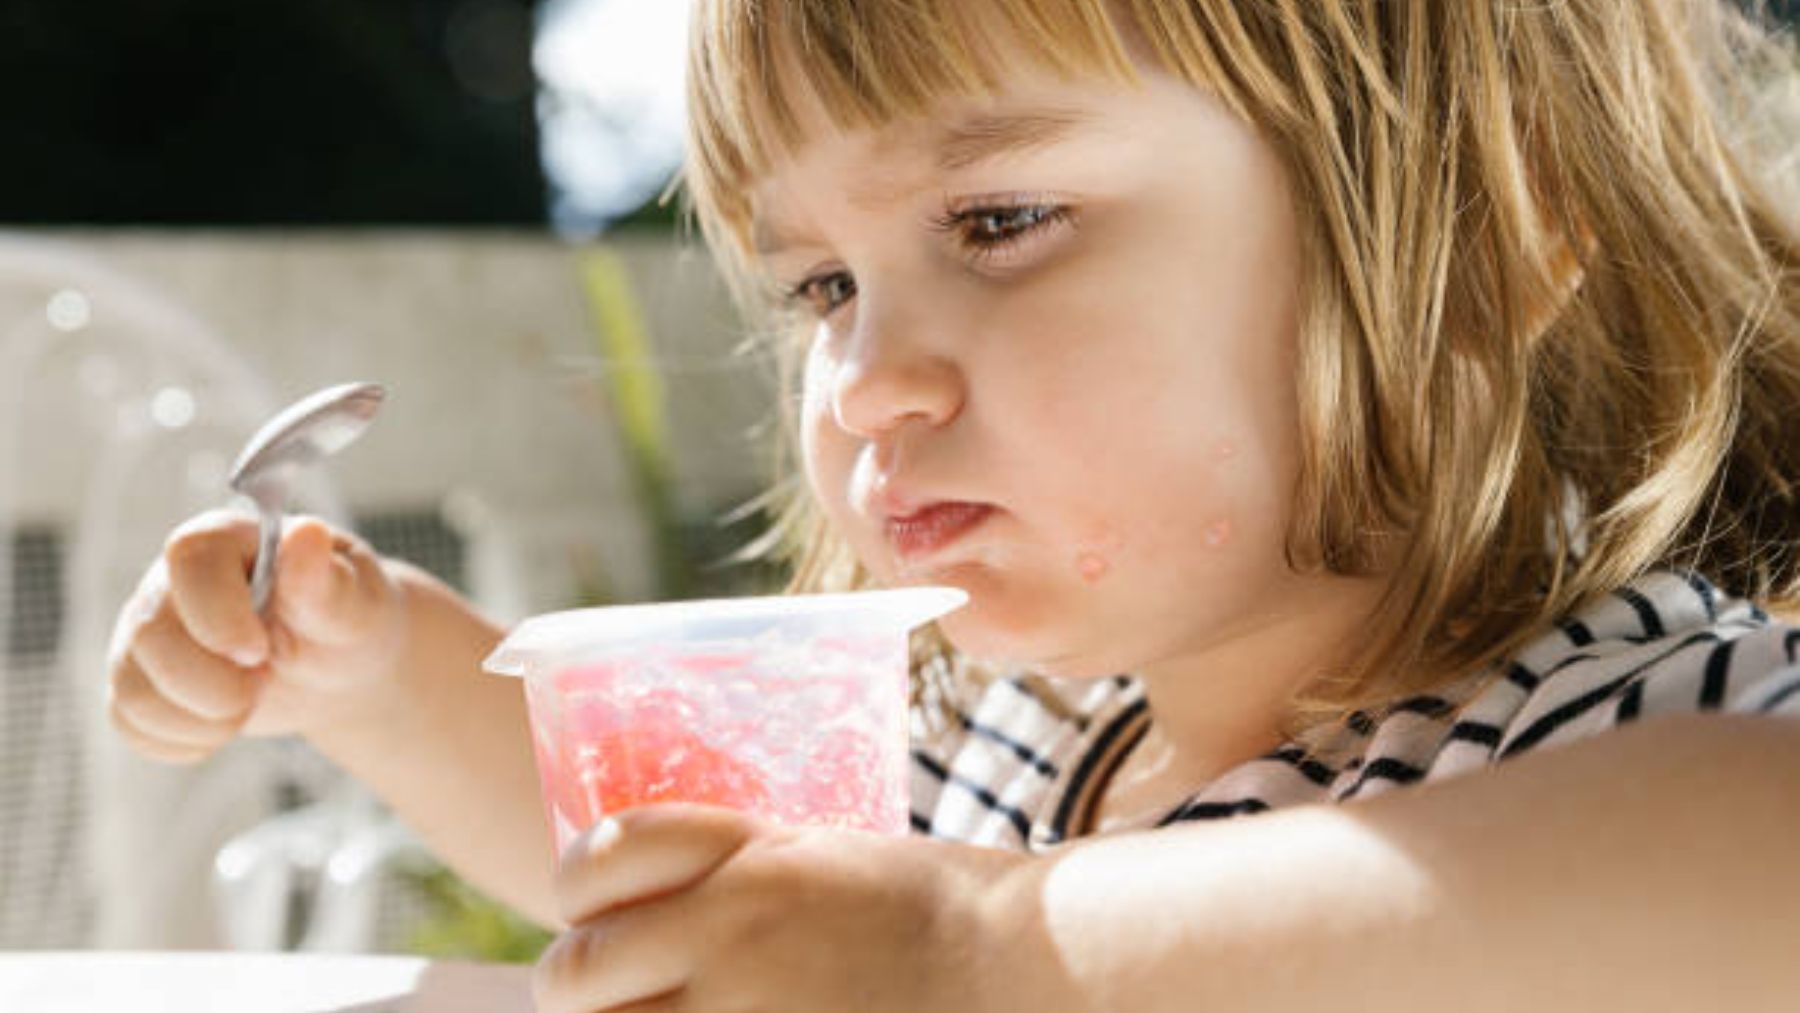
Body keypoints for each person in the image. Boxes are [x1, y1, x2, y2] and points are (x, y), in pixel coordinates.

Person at [106, 0, 1800, 1009]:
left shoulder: (1604, 716)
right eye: (825, 286)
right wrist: (377, 664)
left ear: (1477, 247)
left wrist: (1005, 954)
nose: (862, 379)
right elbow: (684, 891)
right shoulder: (1020, 743)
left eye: (997, 222)